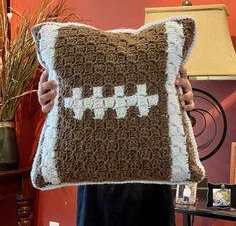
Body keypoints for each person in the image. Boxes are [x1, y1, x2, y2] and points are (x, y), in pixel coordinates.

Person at [38, 66, 195, 226]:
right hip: (96, 196)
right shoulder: (86, 57)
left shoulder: (161, 58)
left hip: (151, 195)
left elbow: (177, 133)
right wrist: (54, 100)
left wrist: (183, 107)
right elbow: (69, 120)